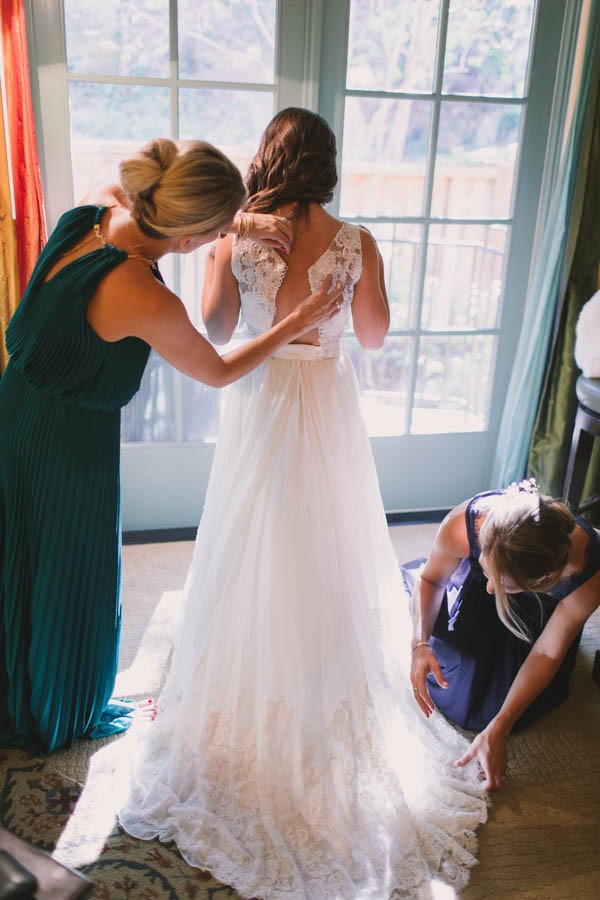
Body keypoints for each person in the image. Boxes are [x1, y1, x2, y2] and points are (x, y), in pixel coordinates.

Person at [119, 109, 488, 899]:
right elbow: (378, 336)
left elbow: (215, 329)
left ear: (266, 159)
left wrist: (233, 264)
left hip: (259, 397)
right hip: (325, 403)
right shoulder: (355, 240)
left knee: (252, 545)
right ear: (327, 164)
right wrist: (347, 295)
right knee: (329, 547)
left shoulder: (234, 235)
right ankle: (325, 687)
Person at [0, 137, 344, 753]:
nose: (219, 242)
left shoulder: (99, 205)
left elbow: (166, 216)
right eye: (215, 234)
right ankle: (57, 704)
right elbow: (216, 369)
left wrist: (243, 219)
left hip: (17, 404)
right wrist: (296, 324)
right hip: (67, 443)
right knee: (64, 563)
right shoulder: (141, 295)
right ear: (187, 239)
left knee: (17, 547)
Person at [406, 478, 600, 791]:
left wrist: (500, 726)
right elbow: (430, 580)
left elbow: (547, 652)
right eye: (485, 571)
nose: (490, 588)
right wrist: (419, 644)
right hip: (474, 597)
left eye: (504, 585)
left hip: (538, 617)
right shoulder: (464, 525)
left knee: (495, 708)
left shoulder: (587, 576)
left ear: (545, 579)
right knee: (459, 687)